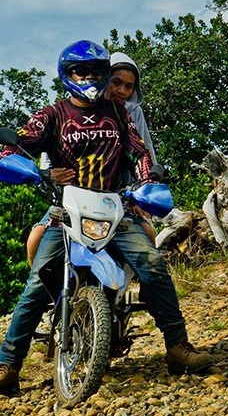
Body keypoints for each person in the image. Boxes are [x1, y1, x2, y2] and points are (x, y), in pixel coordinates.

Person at [0, 41, 212, 396]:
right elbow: (21, 143)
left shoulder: (118, 115)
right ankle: (8, 364)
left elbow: (139, 151)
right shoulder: (52, 115)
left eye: (97, 72)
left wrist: (148, 179)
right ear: (67, 75)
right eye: (81, 72)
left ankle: (178, 347)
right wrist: (30, 167)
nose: (89, 78)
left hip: (117, 207)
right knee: (38, 283)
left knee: (154, 266)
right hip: (65, 209)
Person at [24, 52, 159, 266]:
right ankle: (48, 295)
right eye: (116, 82)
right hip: (71, 199)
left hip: (118, 196)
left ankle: (146, 295)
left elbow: (144, 154)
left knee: (148, 235)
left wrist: (144, 191)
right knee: (35, 239)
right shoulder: (64, 111)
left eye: (129, 86)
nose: (121, 91)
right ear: (104, 79)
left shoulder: (131, 112)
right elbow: (46, 158)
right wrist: (48, 176)